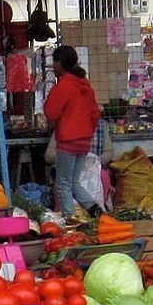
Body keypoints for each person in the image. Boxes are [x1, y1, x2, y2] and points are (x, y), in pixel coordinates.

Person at [43, 45, 103, 218]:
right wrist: (86, 132)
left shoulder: (64, 86)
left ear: (60, 63)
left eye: (54, 62)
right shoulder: (85, 85)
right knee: (74, 183)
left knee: (63, 184)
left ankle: (69, 221)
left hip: (68, 141)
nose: (53, 66)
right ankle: (97, 212)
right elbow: (95, 114)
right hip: (84, 141)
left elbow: (50, 113)